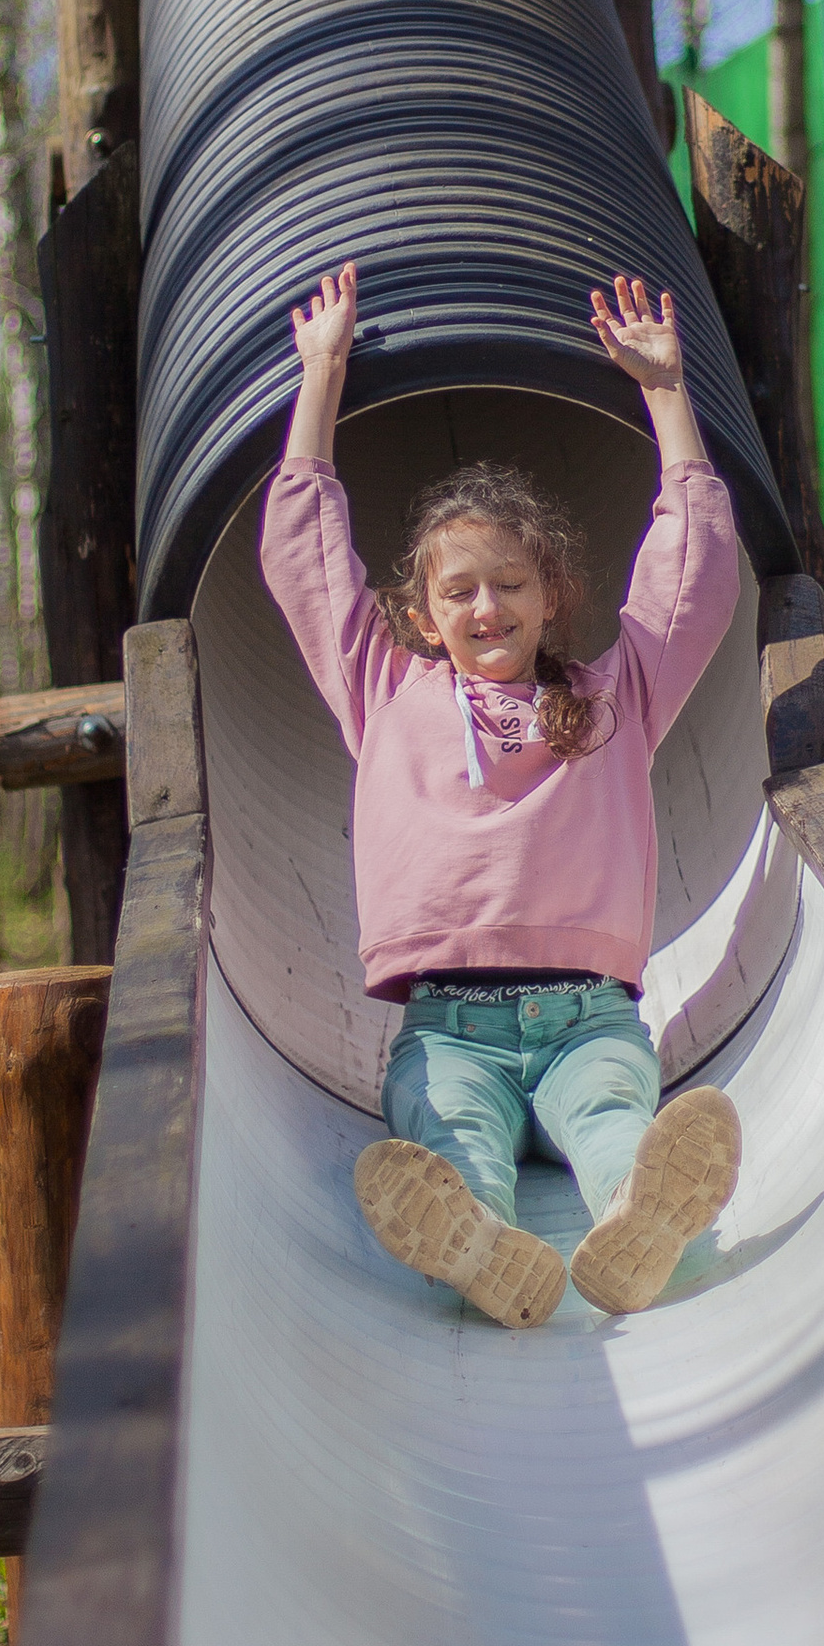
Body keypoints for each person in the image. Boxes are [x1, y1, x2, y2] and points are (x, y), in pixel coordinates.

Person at [260, 259, 743, 1326]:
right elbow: (303, 560)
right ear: (422, 612)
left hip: (588, 1020)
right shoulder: (383, 691)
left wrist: (666, 394)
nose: (486, 607)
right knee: (450, 1137)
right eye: (459, 589)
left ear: (549, 595)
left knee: (616, 1117)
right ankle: (475, 1242)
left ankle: (642, 1218)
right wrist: (322, 378)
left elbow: (695, 577)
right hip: (445, 1033)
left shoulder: (614, 697)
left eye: (510, 584)